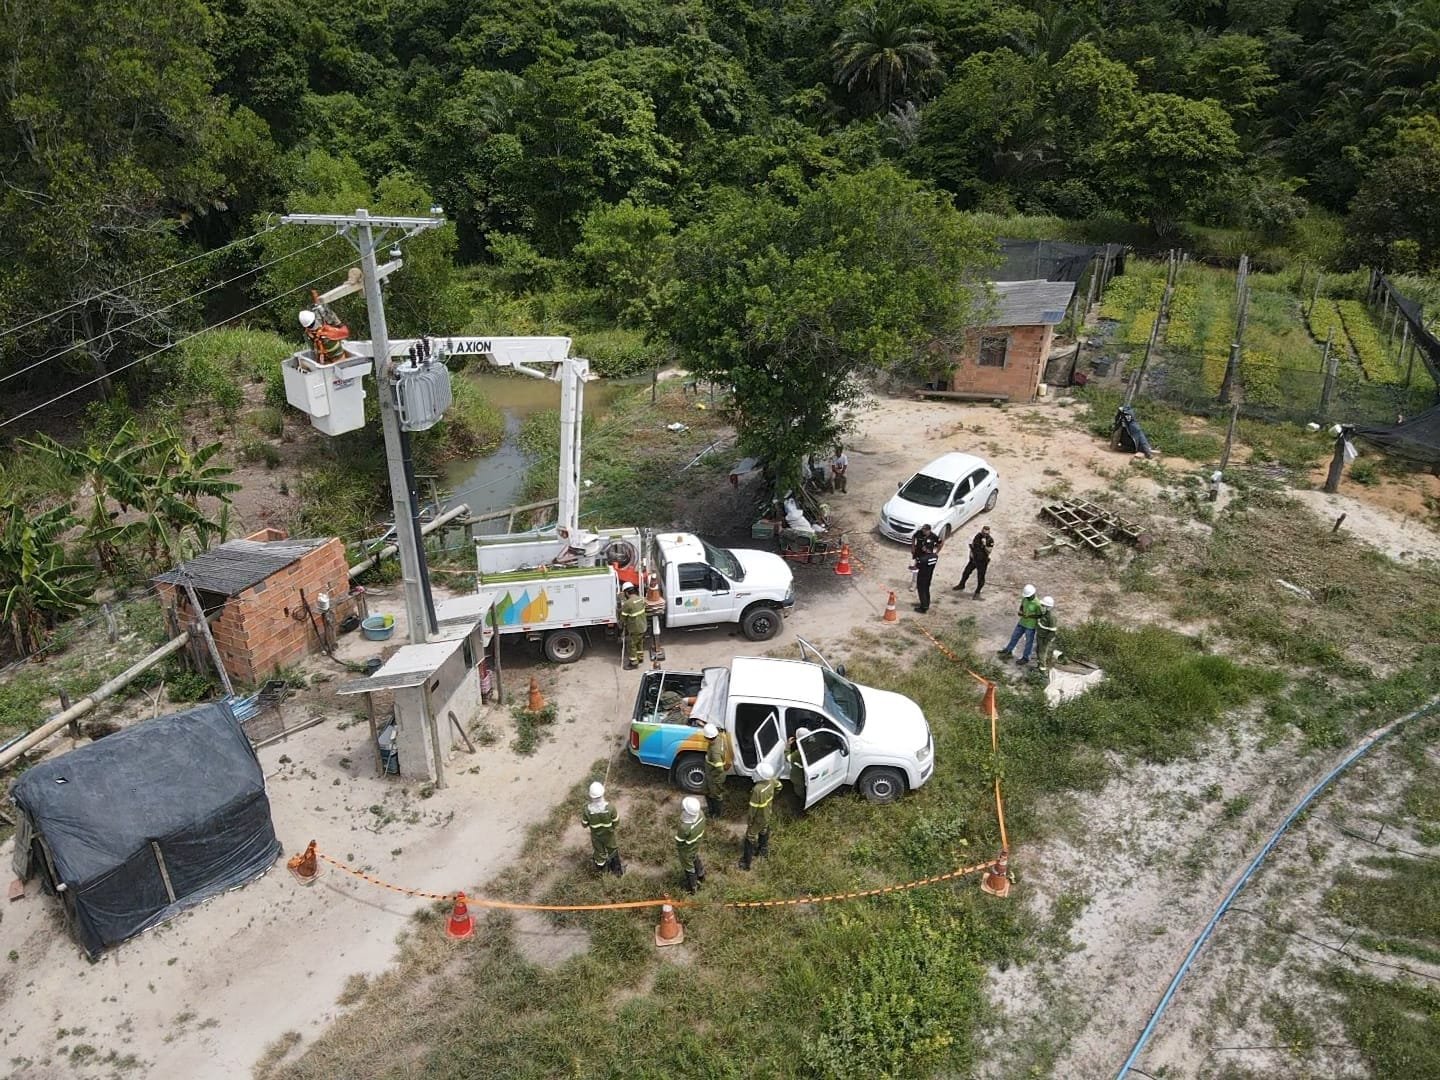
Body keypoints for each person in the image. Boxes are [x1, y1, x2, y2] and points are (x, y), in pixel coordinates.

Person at [740, 762, 780, 870]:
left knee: (750, 836)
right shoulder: (771, 781)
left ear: (761, 776)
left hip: (759, 818)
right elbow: (779, 786)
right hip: (767, 813)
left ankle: (746, 863)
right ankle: (763, 851)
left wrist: (749, 821)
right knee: (764, 829)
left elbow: (752, 809)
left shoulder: (758, 790)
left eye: (757, 772)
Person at [580, 782, 622, 877]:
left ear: (591, 796)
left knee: (599, 852)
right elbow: (616, 821)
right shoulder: (611, 807)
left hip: (596, 837)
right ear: (603, 793)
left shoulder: (587, 810)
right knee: (612, 850)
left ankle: (602, 872)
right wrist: (612, 828)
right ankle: (617, 871)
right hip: (609, 835)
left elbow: (584, 824)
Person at [998, 584, 1043, 665]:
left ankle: (1025, 658)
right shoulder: (1025, 599)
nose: (1027, 597)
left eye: (1028, 596)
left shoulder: (1037, 604)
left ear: (1033, 594)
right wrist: (1021, 611)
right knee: (1014, 636)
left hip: (1030, 626)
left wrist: (1030, 616)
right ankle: (1008, 650)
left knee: (1029, 642)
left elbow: (1040, 615)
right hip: (1022, 622)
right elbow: (1022, 606)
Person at [675, 796, 707, 894]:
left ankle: (692, 887)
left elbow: (679, 840)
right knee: (695, 857)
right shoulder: (701, 814)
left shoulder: (685, 827)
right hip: (696, 843)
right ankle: (701, 875)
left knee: (688, 866)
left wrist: (680, 850)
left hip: (686, 849)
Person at [952, 525, 994, 598]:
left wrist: (984, 545)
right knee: (966, 572)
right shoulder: (978, 536)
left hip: (982, 561)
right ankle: (961, 585)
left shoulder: (990, 540)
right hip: (974, 559)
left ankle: (977, 592)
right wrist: (971, 554)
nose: (984, 535)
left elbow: (989, 551)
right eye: (983, 533)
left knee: (980, 577)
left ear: (989, 533)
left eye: (986, 534)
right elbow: (973, 545)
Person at [910, 523, 943, 613]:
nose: (923, 531)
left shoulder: (925, 559)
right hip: (925, 566)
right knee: (926, 588)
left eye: (925, 530)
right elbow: (914, 537)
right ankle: (924, 603)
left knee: (922, 588)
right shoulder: (934, 558)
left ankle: (923, 607)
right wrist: (913, 547)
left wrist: (915, 566)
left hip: (923, 569)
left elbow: (940, 542)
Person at [619, 582, 648, 668]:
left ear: (626, 593)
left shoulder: (627, 604)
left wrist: (620, 626)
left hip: (635, 628)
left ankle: (633, 663)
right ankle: (640, 658)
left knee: (631, 645)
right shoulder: (640, 599)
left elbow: (623, 618)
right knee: (639, 642)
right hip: (643, 626)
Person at [703, 721, 728, 817]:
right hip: (711, 774)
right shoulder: (720, 737)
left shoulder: (714, 751)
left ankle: (716, 814)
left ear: (707, 738)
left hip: (715, 776)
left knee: (716, 794)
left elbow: (720, 769)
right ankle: (711, 809)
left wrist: (712, 777)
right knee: (707, 791)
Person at [786, 730, 809, 811]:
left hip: (799, 775)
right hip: (807, 769)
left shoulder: (798, 753)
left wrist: (788, 746)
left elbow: (787, 758)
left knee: (799, 789)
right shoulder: (812, 741)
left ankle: (802, 800)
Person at [1035, 596, 1059, 672]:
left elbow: (1053, 632)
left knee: (1042, 654)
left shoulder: (1051, 617)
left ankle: (1042, 671)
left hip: (1044, 639)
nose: (1041, 607)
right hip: (1040, 636)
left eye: (1043, 605)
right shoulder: (1044, 614)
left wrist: (1046, 641)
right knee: (1038, 651)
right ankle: (1038, 666)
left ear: (1048, 607)